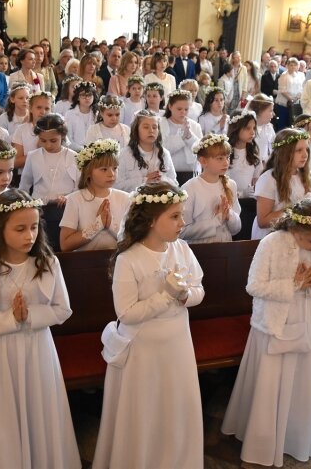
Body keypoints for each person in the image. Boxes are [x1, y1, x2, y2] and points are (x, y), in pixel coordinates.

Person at [0, 189, 80, 469]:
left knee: (40, 413)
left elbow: (63, 309)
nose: (29, 236)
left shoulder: (48, 263)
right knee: (2, 419)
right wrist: (10, 319)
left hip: (38, 350)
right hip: (0, 355)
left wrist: (30, 316)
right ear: (0, 230)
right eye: (20, 228)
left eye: (34, 227)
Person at [92, 182, 204, 469]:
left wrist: (184, 295)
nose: (182, 222)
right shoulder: (129, 259)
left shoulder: (181, 249)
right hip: (145, 348)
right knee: (147, 408)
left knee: (175, 404)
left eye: (181, 215)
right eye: (175, 216)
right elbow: (126, 313)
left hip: (177, 341)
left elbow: (199, 290)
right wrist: (166, 296)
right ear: (152, 221)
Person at [222, 197, 311, 466]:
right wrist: (292, 284)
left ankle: (296, 435)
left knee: (302, 376)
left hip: (307, 313)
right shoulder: (271, 244)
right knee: (271, 377)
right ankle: (262, 438)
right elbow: (254, 285)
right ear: (296, 230)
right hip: (274, 319)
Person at [59, 139, 131, 252]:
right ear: (88, 172)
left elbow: (132, 241)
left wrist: (110, 225)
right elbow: (65, 245)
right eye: (104, 169)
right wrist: (97, 225)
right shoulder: (75, 199)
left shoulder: (126, 198)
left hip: (118, 262)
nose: (111, 174)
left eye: (115, 168)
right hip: (85, 264)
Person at [252, 129, 311, 240]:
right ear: (285, 153)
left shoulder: (307, 176)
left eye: (306, 149)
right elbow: (263, 221)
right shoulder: (269, 179)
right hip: (272, 236)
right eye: (299, 150)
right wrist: (297, 209)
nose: (305, 154)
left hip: (299, 235)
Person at [179, 133, 241, 243]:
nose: (226, 162)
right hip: (200, 252)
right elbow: (182, 231)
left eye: (227, 157)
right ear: (203, 161)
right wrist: (216, 220)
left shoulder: (231, 185)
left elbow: (236, 229)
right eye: (220, 158)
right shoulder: (190, 188)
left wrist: (229, 215)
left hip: (226, 248)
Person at [19, 114, 79, 205]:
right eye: (43, 140)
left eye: (53, 140)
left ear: (62, 135)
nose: (48, 145)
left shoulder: (74, 156)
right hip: (39, 208)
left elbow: (79, 187)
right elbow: (24, 187)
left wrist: (67, 198)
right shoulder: (33, 156)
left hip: (66, 207)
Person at [116, 110, 177, 192]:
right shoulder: (125, 154)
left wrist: (161, 180)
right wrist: (144, 180)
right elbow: (116, 185)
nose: (151, 130)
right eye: (146, 127)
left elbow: (174, 183)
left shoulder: (164, 154)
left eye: (154, 127)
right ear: (136, 130)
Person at [160, 89, 203, 183]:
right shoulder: (161, 123)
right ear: (170, 106)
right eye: (179, 109)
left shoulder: (195, 125)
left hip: (190, 172)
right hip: (168, 172)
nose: (183, 112)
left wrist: (189, 137)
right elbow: (161, 149)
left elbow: (201, 151)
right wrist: (181, 138)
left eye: (186, 109)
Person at [11, 90, 53, 171]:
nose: (43, 112)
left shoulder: (56, 129)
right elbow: (16, 162)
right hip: (27, 175)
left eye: (47, 108)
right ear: (30, 108)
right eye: (39, 107)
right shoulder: (21, 130)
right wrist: (37, 153)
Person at [227, 110, 262, 197]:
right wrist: (241, 194)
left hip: (249, 202)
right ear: (236, 128)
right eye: (247, 128)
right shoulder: (225, 154)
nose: (252, 132)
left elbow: (257, 182)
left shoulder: (254, 155)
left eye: (254, 128)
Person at [64, 80, 98, 151]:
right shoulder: (70, 114)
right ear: (77, 97)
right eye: (83, 95)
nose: (87, 98)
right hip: (75, 152)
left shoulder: (97, 114)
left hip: (95, 152)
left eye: (89, 95)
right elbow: (68, 139)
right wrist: (82, 150)